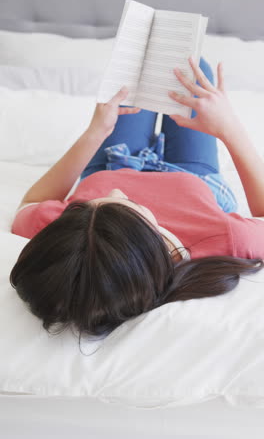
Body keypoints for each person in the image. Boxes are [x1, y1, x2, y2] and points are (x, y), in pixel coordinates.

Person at [10, 57, 264, 340]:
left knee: (136, 66)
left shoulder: (72, 238)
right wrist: (229, 129)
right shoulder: (224, 236)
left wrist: (96, 132)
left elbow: (32, 202)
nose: (117, 192)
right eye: (126, 203)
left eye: (87, 205)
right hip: (193, 178)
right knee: (194, 68)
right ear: (149, 234)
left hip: (115, 161)